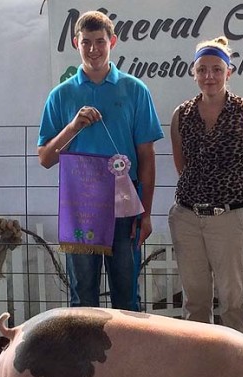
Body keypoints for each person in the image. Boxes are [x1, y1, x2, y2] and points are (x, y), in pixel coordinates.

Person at [37, 10, 164, 311]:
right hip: (80, 204)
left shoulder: (135, 90)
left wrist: (145, 214)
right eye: (86, 43)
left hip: (125, 202)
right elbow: (45, 158)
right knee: (82, 297)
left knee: (126, 294)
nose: (93, 50)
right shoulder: (60, 95)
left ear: (113, 42)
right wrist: (74, 126)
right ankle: (84, 358)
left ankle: (129, 358)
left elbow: (147, 156)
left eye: (100, 42)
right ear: (75, 43)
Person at [168, 37, 243, 338]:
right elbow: (183, 167)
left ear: (229, 72)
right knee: (195, 302)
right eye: (202, 69)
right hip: (187, 218)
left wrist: (240, 203)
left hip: (231, 219)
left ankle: (241, 376)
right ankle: (199, 374)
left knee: (232, 302)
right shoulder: (181, 115)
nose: (209, 76)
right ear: (193, 72)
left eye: (217, 69)